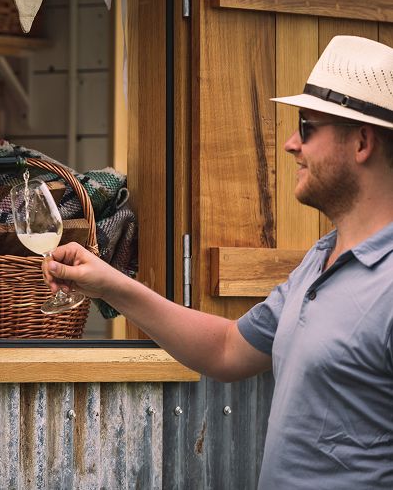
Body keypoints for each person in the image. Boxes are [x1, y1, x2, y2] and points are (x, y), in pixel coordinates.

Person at [46, 34, 393, 487]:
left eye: (306, 127)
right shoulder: (321, 258)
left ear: (362, 142)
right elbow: (227, 348)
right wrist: (109, 283)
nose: (291, 144)